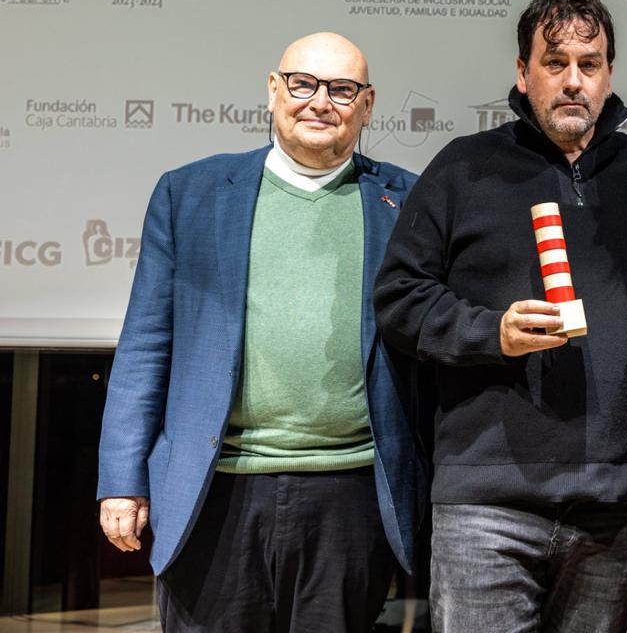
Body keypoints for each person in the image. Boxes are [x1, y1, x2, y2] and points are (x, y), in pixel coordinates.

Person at [96, 32, 423, 632]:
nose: (320, 101)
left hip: (350, 494)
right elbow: (146, 343)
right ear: (274, 90)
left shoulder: (406, 201)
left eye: (342, 89)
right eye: (304, 84)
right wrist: (122, 481)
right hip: (215, 489)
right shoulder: (188, 193)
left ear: (368, 105)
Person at [373, 0, 627, 632]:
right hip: (487, 505)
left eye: (589, 64)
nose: (573, 81)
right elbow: (399, 297)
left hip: (616, 504)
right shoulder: (465, 168)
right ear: (522, 71)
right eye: (554, 62)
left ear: (610, 72)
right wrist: (490, 333)